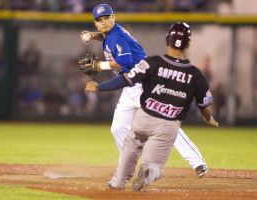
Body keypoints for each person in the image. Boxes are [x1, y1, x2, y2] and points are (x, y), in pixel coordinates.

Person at [85, 22, 218, 190]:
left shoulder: (117, 36)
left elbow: (124, 61)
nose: (103, 22)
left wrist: (99, 67)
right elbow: (104, 35)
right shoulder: (112, 33)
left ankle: (197, 162)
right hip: (129, 89)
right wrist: (92, 35)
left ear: (113, 18)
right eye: (99, 19)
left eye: (106, 17)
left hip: (143, 86)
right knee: (117, 128)